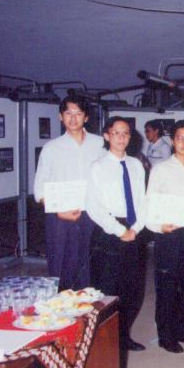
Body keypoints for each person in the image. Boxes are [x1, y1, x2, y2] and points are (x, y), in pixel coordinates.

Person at [86, 116, 147, 351]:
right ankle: (105, 341)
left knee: (133, 288)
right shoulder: (98, 166)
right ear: (107, 135)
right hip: (109, 231)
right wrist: (120, 230)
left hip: (134, 229)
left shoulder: (136, 165)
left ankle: (124, 336)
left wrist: (136, 228)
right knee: (108, 288)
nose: (121, 138)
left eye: (125, 133)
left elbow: (143, 201)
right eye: (116, 133)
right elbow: (94, 207)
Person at [34, 95, 105, 290]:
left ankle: (89, 306)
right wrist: (58, 210)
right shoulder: (51, 148)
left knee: (91, 266)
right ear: (60, 116)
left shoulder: (100, 144)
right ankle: (62, 305)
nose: (73, 119)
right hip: (60, 216)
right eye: (68, 113)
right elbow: (39, 188)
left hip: (93, 214)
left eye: (78, 114)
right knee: (60, 265)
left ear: (86, 117)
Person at [146, 119, 184, 354]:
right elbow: (149, 204)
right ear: (172, 141)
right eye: (180, 138)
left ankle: (182, 330)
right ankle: (165, 335)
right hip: (168, 234)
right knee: (168, 287)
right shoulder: (161, 169)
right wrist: (159, 226)